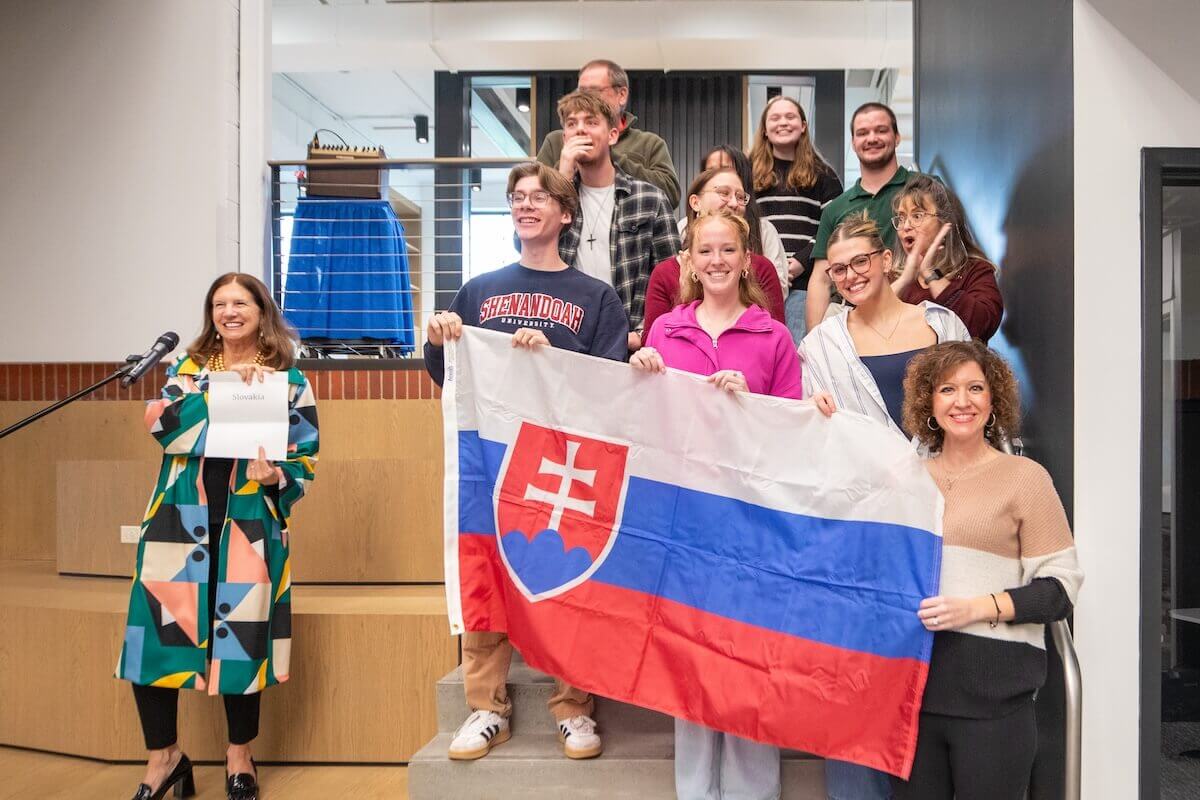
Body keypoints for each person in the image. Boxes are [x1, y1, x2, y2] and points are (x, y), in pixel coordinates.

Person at [425, 161, 629, 760]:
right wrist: (438, 342)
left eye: (540, 196)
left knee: (567, 574)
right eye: (517, 196)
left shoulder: (596, 297)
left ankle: (573, 707)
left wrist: (552, 357)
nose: (525, 204)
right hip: (491, 461)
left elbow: (608, 386)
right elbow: (448, 378)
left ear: (566, 213)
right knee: (486, 572)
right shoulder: (478, 290)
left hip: (563, 465)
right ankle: (487, 707)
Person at [117, 273, 319, 800]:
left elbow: (305, 457)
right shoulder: (187, 370)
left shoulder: (288, 380)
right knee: (155, 640)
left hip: (248, 526)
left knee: (242, 642)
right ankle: (164, 758)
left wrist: (275, 478)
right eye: (219, 304)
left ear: (261, 311)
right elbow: (164, 428)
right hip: (177, 523)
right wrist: (222, 387)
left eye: (240, 303)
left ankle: (239, 756)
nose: (229, 312)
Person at [630, 209, 800, 799]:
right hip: (686, 526)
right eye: (706, 251)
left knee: (748, 663)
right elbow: (644, 428)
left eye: (728, 250)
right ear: (689, 262)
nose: (717, 261)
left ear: (747, 259)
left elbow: (793, 433)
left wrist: (753, 404)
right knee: (693, 667)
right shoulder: (665, 331)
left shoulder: (774, 336)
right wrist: (639, 376)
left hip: (751, 524)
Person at [799, 212, 967, 800]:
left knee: (932, 673)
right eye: (838, 270)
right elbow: (813, 453)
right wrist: (811, 418)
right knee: (857, 679)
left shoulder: (942, 325)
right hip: (863, 532)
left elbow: (978, 411)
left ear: (888, 260)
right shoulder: (820, 346)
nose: (850, 276)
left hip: (944, 519)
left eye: (861, 263)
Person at [892, 341, 1083, 799]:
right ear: (928, 402)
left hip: (995, 697)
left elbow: (1060, 590)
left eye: (975, 388)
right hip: (911, 695)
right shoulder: (902, 479)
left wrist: (977, 608)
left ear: (993, 399)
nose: (962, 401)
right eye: (947, 389)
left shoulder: (1025, 478)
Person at [552, 90, 681, 352]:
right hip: (566, 341)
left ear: (612, 135)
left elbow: (674, 282)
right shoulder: (553, 200)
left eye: (591, 122)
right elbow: (526, 246)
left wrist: (645, 335)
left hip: (630, 345)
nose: (581, 130)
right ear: (565, 138)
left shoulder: (649, 199)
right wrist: (562, 179)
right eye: (572, 124)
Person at [806, 102, 911, 331]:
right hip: (851, 319)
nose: (872, 138)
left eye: (881, 130)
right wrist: (814, 340)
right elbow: (821, 280)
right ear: (853, 143)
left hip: (912, 312)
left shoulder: (923, 189)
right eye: (862, 133)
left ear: (897, 137)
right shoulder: (836, 208)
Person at [643, 167, 785, 336]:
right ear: (695, 202)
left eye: (740, 197)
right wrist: (686, 293)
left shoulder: (762, 268)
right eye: (724, 193)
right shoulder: (664, 274)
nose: (734, 203)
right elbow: (654, 342)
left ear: (746, 261)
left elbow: (775, 337)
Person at [749, 95, 844, 343]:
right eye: (775, 118)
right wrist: (771, 266)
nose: (783, 122)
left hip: (804, 284)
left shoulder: (824, 175)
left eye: (790, 117)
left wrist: (801, 261)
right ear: (764, 129)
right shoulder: (746, 173)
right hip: (754, 282)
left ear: (803, 126)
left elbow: (835, 226)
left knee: (796, 352)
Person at [537, 58, 680, 208]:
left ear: (622, 95)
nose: (586, 99)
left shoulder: (649, 143)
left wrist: (608, 154)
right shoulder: (556, 141)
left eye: (594, 91)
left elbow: (670, 196)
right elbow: (535, 200)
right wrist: (564, 170)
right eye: (581, 92)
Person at [889, 174, 1004, 342]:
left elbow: (981, 327)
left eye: (917, 216)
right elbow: (867, 326)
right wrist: (905, 279)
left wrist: (931, 273)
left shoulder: (975, 271)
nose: (905, 226)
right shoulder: (893, 277)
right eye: (901, 218)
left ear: (945, 221)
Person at [700, 144, 790, 293]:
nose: (718, 177)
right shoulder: (684, 227)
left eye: (726, 170)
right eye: (710, 171)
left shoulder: (764, 230)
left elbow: (777, 288)